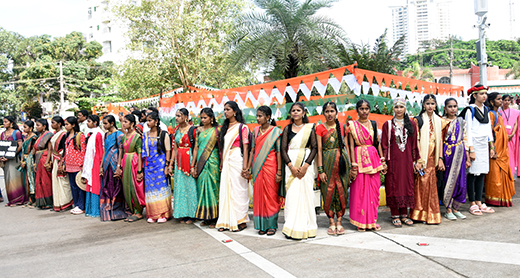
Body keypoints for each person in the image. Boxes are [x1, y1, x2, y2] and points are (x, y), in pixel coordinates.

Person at [280, 102, 318, 239]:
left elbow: (314, 148)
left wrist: (306, 166)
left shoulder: (309, 128)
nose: (295, 112)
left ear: (303, 113)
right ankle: (291, 227)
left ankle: (308, 227)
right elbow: (282, 150)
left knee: (306, 194)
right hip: (291, 164)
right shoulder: (287, 129)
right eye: (293, 110)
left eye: (298, 110)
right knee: (292, 195)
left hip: (306, 163)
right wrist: (291, 166)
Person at [348, 100, 386, 231]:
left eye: (366, 108)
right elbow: (351, 147)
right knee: (360, 191)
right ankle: (360, 221)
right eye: (361, 108)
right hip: (359, 159)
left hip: (373, 158)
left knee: (373, 190)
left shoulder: (374, 124)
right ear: (357, 110)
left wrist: (382, 160)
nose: (364, 111)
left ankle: (371, 220)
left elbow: (378, 143)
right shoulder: (352, 126)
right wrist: (353, 164)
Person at [381, 98, 419, 227]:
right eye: (396, 107)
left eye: (401, 107)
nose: (398, 110)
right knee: (393, 185)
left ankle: (404, 214)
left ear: (405, 109)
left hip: (407, 161)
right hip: (393, 162)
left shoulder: (411, 124)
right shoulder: (388, 124)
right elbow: (384, 144)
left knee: (406, 184)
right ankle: (395, 214)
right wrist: (384, 161)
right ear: (393, 109)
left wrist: (416, 161)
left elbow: (414, 144)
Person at [411, 94, 447, 224]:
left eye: (432, 103)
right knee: (421, 184)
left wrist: (441, 158)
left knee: (432, 186)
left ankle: (432, 214)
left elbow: (441, 141)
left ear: (436, 105)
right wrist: (418, 160)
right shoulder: (418, 120)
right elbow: (417, 141)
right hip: (423, 158)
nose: (430, 106)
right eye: (427, 103)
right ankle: (418, 214)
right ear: (423, 105)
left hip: (434, 157)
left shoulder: (440, 120)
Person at [460, 85, 495, 215]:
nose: (484, 96)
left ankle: (480, 202)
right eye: (481, 94)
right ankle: (472, 203)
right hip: (474, 144)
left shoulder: (486, 109)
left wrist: (491, 146)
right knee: (472, 174)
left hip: (483, 144)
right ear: (474, 96)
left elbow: (488, 130)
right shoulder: (470, 110)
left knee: (481, 174)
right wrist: (471, 149)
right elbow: (467, 131)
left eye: (485, 93)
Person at [216, 101, 251, 232]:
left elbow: (246, 148)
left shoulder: (242, 127)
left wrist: (246, 167)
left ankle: (240, 219)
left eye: (228, 109)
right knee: (226, 189)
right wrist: (221, 162)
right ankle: (226, 220)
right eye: (224, 109)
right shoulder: (224, 128)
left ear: (235, 111)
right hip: (226, 160)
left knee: (239, 190)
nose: (225, 112)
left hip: (238, 159)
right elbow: (222, 147)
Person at [316, 102, 350, 235]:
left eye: (332, 111)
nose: (329, 114)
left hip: (342, 163)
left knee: (342, 190)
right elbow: (319, 150)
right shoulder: (319, 128)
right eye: (327, 111)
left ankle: (340, 220)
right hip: (327, 162)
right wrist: (320, 170)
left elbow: (346, 146)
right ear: (323, 113)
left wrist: (352, 166)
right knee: (327, 191)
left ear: (336, 112)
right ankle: (331, 221)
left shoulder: (342, 127)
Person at [249, 106, 282, 236]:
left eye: (260, 116)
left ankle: (272, 225)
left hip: (271, 166)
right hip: (257, 166)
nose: (257, 118)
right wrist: (249, 167)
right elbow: (252, 150)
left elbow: (279, 152)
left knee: (271, 195)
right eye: (257, 116)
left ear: (268, 117)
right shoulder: (255, 131)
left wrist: (279, 171)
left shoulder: (276, 131)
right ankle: (262, 225)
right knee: (259, 196)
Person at [190, 108, 220, 228]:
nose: (202, 120)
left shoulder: (217, 130)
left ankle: (215, 217)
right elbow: (196, 148)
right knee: (202, 187)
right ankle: (206, 216)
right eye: (201, 118)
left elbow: (221, 147)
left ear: (211, 118)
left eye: (205, 118)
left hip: (213, 162)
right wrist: (193, 165)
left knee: (213, 188)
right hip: (201, 162)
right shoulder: (198, 130)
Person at [485, 92, 515, 207]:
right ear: (492, 101)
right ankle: (494, 198)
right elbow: (490, 132)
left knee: (502, 174)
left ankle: (503, 197)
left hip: (503, 150)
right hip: (496, 150)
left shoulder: (499, 114)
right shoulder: (491, 114)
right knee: (495, 175)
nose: (501, 101)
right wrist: (493, 148)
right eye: (498, 99)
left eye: (501, 99)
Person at [442, 98, 469, 220]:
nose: (453, 109)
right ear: (445, 108)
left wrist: (468, 157)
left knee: (461, 181)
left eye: (455, 106)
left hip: (460, 151)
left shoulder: (461, 121)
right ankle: (448, 209)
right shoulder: (441, 122)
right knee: (449, 180)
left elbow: (465, 138)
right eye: (450, 106)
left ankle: (456, 208)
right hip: (448, 152)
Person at [169, 108, 198, 224]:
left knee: (190, 187)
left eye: (179, 116)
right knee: (180, 187)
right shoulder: (176, 131)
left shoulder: (193, 130)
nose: (176, 118)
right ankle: (182, 213)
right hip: (178, 162)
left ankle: (192, 214)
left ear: (186, 117)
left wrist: (193, 165)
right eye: (176, 116)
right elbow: (174, 149)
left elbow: (196, 147)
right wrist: (170, 164)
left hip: (189, 158)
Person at [115, 114, 145, 222]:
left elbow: (140, 153)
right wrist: (119, 166)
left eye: (126, 122)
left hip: (134, 162)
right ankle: (133, 210)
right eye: (123, 122)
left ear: (132, 123)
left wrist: (140, 170)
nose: (123, 124)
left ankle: (138, 211)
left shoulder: (137, 136)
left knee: (135, 186)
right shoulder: (124, 136)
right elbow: (121, 152)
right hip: (126, 162)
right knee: (126, 186)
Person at [143, 112, 172, 223]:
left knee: (162, 188)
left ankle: (163, 213)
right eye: (147, 121)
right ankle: (153, 214)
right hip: (149, 166)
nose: (148, 123)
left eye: (150, 120)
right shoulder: (145, 135)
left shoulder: (163, 134)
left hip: (160, 165)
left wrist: (167, 166)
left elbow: (168, 150)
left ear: (156, 121)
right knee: (150, 189)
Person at [100, 115, 129, 221]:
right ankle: (108, 209)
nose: (104, 125)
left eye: (106, 123)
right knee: (107, 186)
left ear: (112, 123)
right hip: (106, 163)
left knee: (117, 186)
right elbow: (104, 150)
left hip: (115, 162)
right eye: (103, 123)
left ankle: (117, 210)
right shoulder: (106, 134)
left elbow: (121, 150)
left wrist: (118, 166)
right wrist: (101, 165)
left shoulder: (119, 134)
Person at [47, 116, 73, 212]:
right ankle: (58, 203)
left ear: (59, 124)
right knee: (56, 182)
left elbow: (63, 149)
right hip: (55, 159)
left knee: (63, 182)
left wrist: (62, 162)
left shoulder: (63, 134)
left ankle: (66, 203)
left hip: (60, 159)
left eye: (53, 122)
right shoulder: (55, 134)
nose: (51, 124)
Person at [82, 115, 104, 217]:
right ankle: (91, 209)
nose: (87, 123)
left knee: (95, 184)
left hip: (96, 162)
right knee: (91, 184)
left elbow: (100, 150)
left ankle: (96, 209)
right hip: (91, 161)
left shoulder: (99, 134)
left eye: (89, 121)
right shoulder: (91, 134)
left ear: (95, 122)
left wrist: (100, 165)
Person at [64, 117, 87, 215]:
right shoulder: (67, 135)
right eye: (65, 124)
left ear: (73, 125)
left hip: (77, 164)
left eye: (67, 124)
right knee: (73, 186)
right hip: (69, 163)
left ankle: (82, 206)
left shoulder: (80, 136)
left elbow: (83, 150)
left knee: (79, 185)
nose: (65, 126)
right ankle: (76, 204)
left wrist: (82, 164)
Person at [1, 116, 26, 206]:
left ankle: (19, 200)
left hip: (14, 159)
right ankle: (11, 200)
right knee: (8, 179)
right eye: (3, 122)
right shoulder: (3, 134)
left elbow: (20, 145)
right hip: (5, 160)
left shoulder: (16, 132)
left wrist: (11, 155)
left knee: (15, 179)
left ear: (11, 123)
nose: (4, 123)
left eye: (6, 122)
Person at [33, 119, 54, 209]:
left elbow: (50, 149)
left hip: (44, 158)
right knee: (39, 180)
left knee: (46, 181)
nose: (36, 127)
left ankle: (48, 202)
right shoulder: (39, 136)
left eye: (38, 125)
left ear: (44, 126)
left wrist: (47, 162)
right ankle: (41, 202)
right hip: (38, 158)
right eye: (36, 125)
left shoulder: (48, 135)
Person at [500, 94, 520, 177]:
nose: (507, 102)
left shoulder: (514, 112)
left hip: (511, 137)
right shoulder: (499, 111)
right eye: (505, 100)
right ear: (502, 101)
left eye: (508, 100)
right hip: (501, 137)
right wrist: (504, 135)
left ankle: (511, 174)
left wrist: (512, 134)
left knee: (511, 155)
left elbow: (515, 123)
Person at [20, 120, 38, 206]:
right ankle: (29, 198)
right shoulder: (26, 137)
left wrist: (27, 161)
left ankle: (33, 199)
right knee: (26, 179)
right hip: (25, 160)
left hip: (30, 160)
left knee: (31, 179)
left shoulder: (34, 138)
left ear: (31, 128)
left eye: (25, 127)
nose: (23, 129)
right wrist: (22, 160)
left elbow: (34, 151)